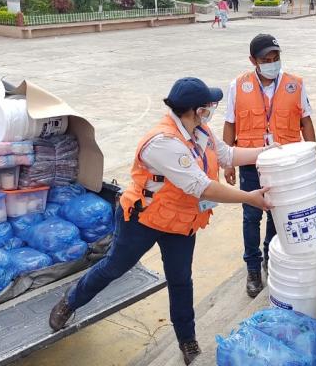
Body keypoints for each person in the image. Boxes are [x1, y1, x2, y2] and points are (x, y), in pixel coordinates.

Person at [48, 77, 276, 365]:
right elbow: (202, 187)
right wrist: (249, 197)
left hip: (180, 222)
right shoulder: (164, 142)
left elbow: (227, 154)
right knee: (114, 267)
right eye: (208, 106)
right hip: (143, 219)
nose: (210, 111)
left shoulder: (199, 129)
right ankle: (70, 301)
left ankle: (187, 340)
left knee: (181, 280)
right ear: (194, 110)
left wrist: (265, 152)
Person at [222, 34, 316, 298]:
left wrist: (312, 155)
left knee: (278, 215)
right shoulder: (238, 86)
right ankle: (253, 269)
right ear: (253, 61)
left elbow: (306, 122)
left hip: (286, 164)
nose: (272, 64)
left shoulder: (294, 85)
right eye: (266, 60)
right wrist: (227, 161)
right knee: (251, 217)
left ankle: (270, 258)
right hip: (252, 163)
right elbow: (230, 124)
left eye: (276, 59)